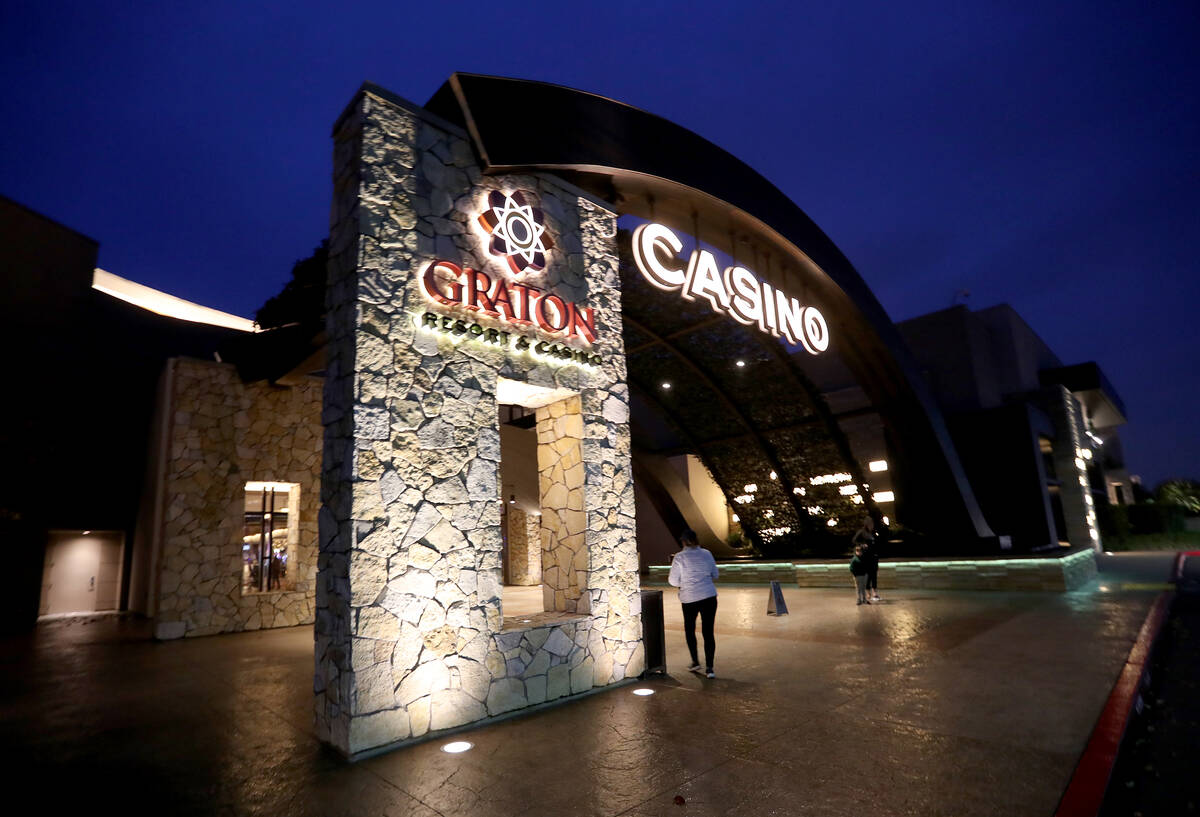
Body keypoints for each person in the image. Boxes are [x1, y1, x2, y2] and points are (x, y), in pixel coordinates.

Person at [667, 528, 719, 678]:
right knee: (708, 632)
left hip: (689, 598)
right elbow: (715, 574)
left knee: (690, 630)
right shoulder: (707, 554)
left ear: (683, 541)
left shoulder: (679, 557)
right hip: (709, 597)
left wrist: (682, 583)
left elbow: (672, 580)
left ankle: (695, 661)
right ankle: (710, 668)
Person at [853, 516, 881, 602]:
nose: (872, 525)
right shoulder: (862, 532)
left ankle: (875, 593)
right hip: (866, 557)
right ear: (867, 524)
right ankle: (868, 593)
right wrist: (862, 545)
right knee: (868, 576)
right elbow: (854, 540)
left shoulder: (873, 533)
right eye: (870, 524)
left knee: (874, 575)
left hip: (874, 557)